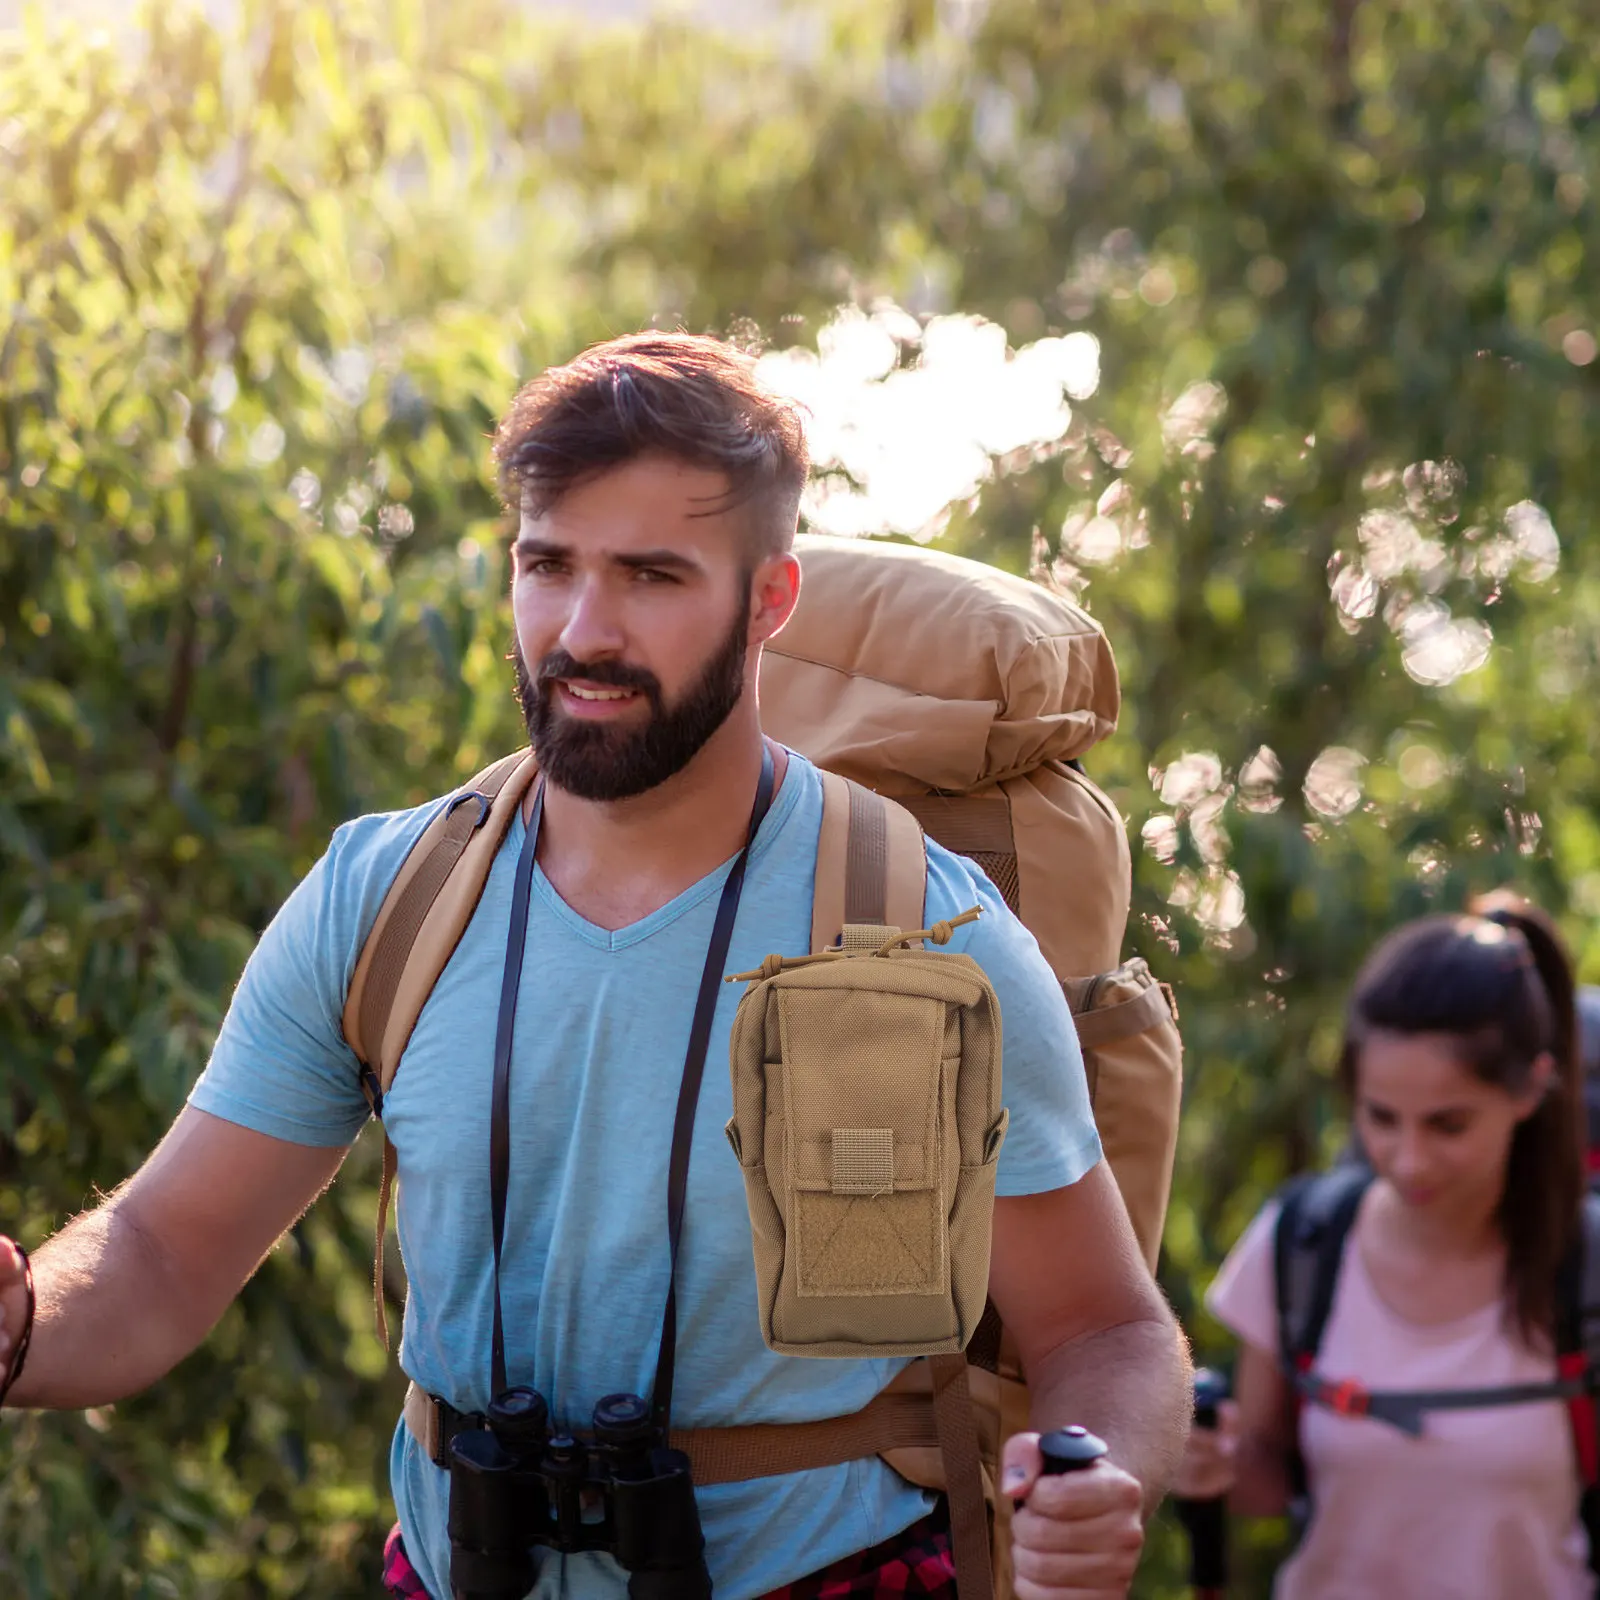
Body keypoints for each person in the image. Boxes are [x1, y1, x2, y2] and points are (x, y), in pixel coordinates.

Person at [0, 333, 1189, 1600]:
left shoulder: (919, 935)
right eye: (547, 564)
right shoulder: (390, 901)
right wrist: (21, 1329)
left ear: (768, 599)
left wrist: (1097, 1478)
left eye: (652, 576)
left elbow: (1104, 1329)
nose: (583, 629)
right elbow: (163, 1252)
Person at [1175, 894, 1594, 1598]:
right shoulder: (1301, 1246)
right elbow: (1266, 1484)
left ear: (1532, 1090)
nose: (1407, 1160)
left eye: (1448, 1125)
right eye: (1380, 1117)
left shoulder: (1585, 1267)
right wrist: (1200, 1458)